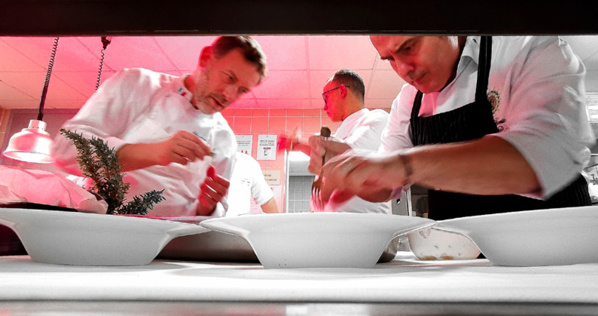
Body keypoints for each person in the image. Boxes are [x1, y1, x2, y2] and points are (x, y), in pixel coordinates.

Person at [318, 36, 595, 220]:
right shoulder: (408, 101)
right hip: (465, 259)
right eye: (389, 58)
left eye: (408, 47)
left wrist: (402, 165)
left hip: (557, 251)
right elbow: (386, 184)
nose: (403, 69)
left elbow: (547, 153)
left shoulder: (524, 48)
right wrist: (355, 171)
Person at [51, 36, 268, 217]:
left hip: (176, 246)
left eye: (242, 90)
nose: (230, 95)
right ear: (205, 58)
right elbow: (65, 148)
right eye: (229, 77)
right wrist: (154, 153)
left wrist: (207, 207)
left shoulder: (224, 139)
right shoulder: (136, 85)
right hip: (106, 228)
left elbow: (217, 212)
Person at [279, 69, 390, 214]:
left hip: (363, 223)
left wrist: (299, 144)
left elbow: (349, 156)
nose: (325, 106)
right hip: (336, 223)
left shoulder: (376, 118)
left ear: (342, 91)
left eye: (326, 98)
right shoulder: (341, 134)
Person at [226, 152, 278, 216]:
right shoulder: (210, 162)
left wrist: (278, 225)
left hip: (239, 223)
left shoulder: (247, 162)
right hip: (211, 222)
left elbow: (267, 200)